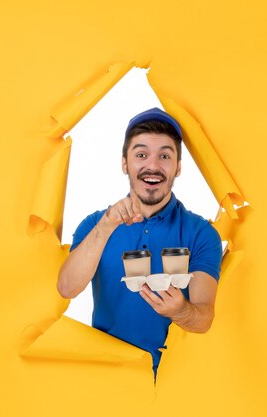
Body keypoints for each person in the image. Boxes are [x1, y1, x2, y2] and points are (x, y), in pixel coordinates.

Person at [57, 108, 222, 375]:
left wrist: (180, 310)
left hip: (175, 380)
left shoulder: (201, 233)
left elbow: (204, 319)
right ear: (125, 163)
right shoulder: (95, 225)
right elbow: (67, 288)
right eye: (141, 154)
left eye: (165, 156)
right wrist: (107, 225)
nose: (153, 166)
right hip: (108, 374)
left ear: (178, 167)